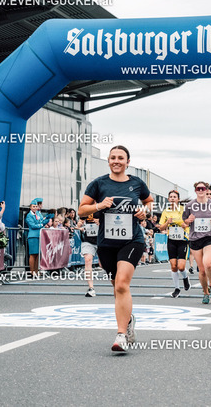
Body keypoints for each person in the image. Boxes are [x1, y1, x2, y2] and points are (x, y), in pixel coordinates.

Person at [78, 145, 153, 352]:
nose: (116, 161)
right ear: (108, 161)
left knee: (121, 284)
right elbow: (81, 210)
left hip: (132, 240)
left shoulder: (137, 183)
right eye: (113, 158)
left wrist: (144, 212)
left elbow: (149, 202)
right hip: (106, 244)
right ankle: (128, 320)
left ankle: (121, 335)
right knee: (116, 286)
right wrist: (99, 206)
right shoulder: (98, 184)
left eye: (121, 158)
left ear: (128, 162)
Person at [183, 181, 211, 304]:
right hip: (195, 238)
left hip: (209, 237)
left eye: (203, 188)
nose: (201, 190)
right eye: (198, 188)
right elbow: (184, 221)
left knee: (208, 264)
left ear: (206, 190)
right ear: (195, 190)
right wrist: (188, 220)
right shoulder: (190, 205)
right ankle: (205, 293)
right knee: (201, 270)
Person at [158, 190, 190, 298]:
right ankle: (177, 288)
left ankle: (185, 277)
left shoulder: (183, 210)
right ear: (168, 199)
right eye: (170, 197)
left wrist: (185, 224)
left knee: (181, 266)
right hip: (171, 239)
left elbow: (189, 222)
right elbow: (161, 227)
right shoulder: (166, 211)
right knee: (173, 266)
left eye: (174, 197)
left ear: (178, 199)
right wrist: (167, 222)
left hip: (182, 239)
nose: (172, 198)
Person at [25, 198, 50, 275]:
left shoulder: (38, 214)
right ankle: (32, 271)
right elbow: (32, 225)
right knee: (33, 254)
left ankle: (36, 271)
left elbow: (42, 221)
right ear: (30, 207)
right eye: (33, 206)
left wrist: (47, 219)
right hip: (33, 236)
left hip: (39, 236)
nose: (35, 208)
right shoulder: (29, 215)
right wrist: (41, 225)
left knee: (37, 254)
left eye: (36, 206)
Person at [76, 214, 99, 297]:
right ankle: (91, 288)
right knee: (88, 260)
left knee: (103, 264)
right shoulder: (86, 210)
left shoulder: (103, 208)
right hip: (88, 240)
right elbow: (79, 223)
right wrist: (79, 224)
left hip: (101, 239)